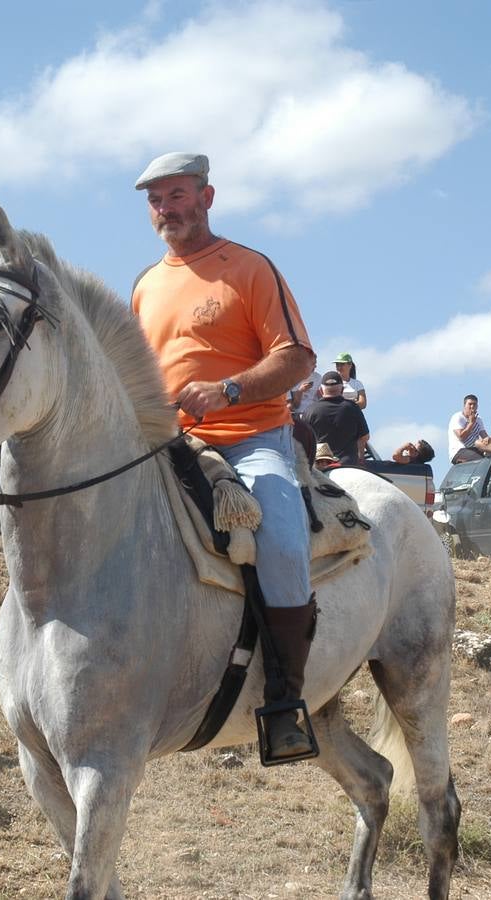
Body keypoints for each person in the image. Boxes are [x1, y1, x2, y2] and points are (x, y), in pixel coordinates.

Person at [131, 151, 319, 762]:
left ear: (207, 198)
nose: (167, 208)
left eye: (177, 195)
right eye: (157, 199)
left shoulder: (248, 267)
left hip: (250, 440)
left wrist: (229, 389)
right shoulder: (144, 285)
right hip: (167, 444)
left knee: (283, 538)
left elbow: (296, 358)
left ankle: (286, 702)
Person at [300, 371, 370, 467]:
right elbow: (364, 437)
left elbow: (303, 443)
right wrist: (360, 459)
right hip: (349, 466)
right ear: (342, 390)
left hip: (320, 468)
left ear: (321, 390)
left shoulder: (310, 411)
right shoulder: (353, 408)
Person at [447, 394, 491, 464]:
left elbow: (485, 437)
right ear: (464, 405)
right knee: (483, 461)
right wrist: (471, 423)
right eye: (470, 404)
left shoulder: (478, 419)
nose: (472, 407)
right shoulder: (457, 417)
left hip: (475, 449)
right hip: (459, 451)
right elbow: (461, 437)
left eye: (474, 404)